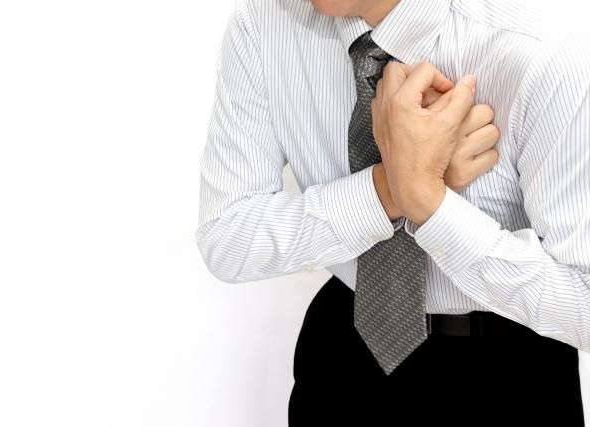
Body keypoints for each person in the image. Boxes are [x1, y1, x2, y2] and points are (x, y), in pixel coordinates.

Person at [195, 0, 589, 425]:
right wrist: (393, 187)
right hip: (340, 355)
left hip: (509, 373)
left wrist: (431, 204)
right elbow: (226, 238)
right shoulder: (262, 22)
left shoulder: (545, 49)